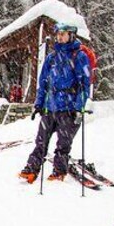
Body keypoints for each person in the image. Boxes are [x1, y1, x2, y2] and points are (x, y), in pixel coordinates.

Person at [19, 23, 91, 183]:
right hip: (50, 106)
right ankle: (31, 169)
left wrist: (79, 107)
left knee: (63, 144)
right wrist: (38, 104)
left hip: (68, 107)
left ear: (71, 35)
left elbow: (84, 84)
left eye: (63, 34)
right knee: (41, 140)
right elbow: (43, 82)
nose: (60, 37)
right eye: (58, 34)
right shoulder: (51, 58)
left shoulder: (79, 56)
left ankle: (59, 172)